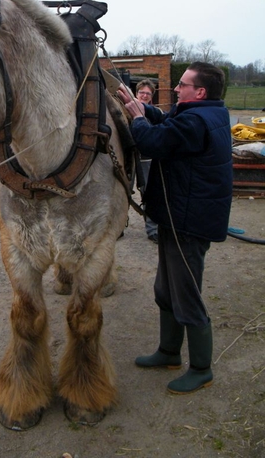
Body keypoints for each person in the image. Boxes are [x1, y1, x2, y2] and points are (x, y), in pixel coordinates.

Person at [118, 62, 232, 394]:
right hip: (175, 216)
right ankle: (169, 352)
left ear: (200, 92)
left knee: (186, 295)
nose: (176, 89)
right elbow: (169, 122)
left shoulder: (197, 121)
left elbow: (155, 141)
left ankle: (201, 368)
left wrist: (138, 119)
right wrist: (144, 109)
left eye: (182, 85)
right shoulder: (206, 114)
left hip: (188, 222)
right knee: (165, 290)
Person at [135, 79, 159, 243]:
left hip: (145, 160)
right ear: (136, 93)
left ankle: (153, 230)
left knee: (149, 194)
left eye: (147, 94)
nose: (144, 95)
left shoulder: (154, 113)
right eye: (141, 92)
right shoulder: (124, 109)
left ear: (151, 97)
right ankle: (119, 228)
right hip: (126, 159)